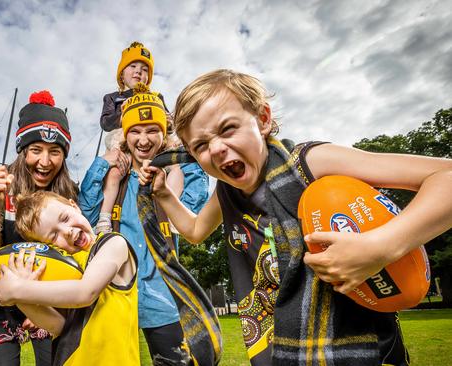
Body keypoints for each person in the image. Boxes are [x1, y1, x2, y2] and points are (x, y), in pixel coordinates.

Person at [139, 69, 452, 365]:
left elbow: (446, 176)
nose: (217, 148)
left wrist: (379, 247)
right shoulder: (227, 193)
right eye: (201, 146)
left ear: (262, 119)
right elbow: (194, 230)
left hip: (361, 349)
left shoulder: (312, 162)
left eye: (228, 128)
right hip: (279, 351)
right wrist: (165, 195)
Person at [79, 86, 212, 364]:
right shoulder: (115, 178)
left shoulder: (175, 172)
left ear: (164, 134)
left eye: (152, 130)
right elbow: (86, 214)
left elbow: (193, 210)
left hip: (163, 299)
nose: (143, 139)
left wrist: (176, 161)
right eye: (135, 131)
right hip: (112, 297)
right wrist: (103, 164)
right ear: (124, 135)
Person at [0, 90, 78, 366]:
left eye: (55, 152)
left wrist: (39, 304)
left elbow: (74, 256)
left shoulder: (70, 194)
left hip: (50, 299)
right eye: (36, 150)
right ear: (22, 150)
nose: (45, 162)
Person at [0, 190, 139, 366]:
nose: (67, 231)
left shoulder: (113, 243)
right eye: (54, 236)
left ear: (73, 206)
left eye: (65, 218)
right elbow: (57, 326)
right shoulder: (62, 271)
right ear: (47, 247)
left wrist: (17, 289)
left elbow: (85, 293)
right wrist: (20, 300)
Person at [94, 41, 183, 235]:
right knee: (115, 172)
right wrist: (128, 114)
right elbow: (106, 123)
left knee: (175, 167)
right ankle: (104, 218)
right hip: (121, 140)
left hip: (154, 143)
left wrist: (168, 121)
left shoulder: (156, 96)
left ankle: (173, 212)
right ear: (121, 73)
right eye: (132, 66)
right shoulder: (113, 97)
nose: (138, 72)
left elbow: (168, 126)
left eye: (144, 69)